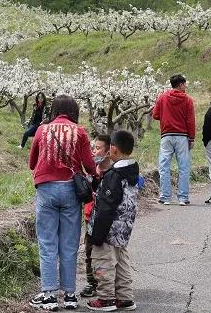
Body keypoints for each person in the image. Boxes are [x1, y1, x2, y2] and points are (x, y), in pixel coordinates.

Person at [29, 95, 97, 311]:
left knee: (47, 242)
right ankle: (69, 295)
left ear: (54, 110)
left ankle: (49, 295)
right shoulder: (80, 131)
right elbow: (89, 165)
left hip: (47, 189)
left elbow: (32, 162)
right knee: (69, 244)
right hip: (71, 191)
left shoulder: (42, 130)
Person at [86, 130, 139, 312]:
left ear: (113, 150)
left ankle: (106, 298)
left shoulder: (114, 176)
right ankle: (125, 298)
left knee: (103, 262)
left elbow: (106, 207)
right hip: (123, 228)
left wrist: (97, 235)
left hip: (108, 229)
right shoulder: (132, 171)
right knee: (122, 261)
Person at [152, 74, 196, 206]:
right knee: (183, 167)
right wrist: (192, 137)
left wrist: (166, 117)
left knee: (164, 166)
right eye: (185, 85)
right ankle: (183, 197)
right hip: (182, 136)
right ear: (181, 84)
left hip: (166, 136)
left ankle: (165, 197)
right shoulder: (187, 100)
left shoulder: (162, 97)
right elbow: (190, 120)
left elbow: (155, 114)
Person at [81, 134, 114, 300]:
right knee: (89, 251)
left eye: (98, 148)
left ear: (108, 152)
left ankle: (108, 283)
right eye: (93, 148)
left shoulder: (114, 173)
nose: (94, 152)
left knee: (108, 253)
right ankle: (91, 282)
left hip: (107, 220)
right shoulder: (90, 171)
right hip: (90, 216)